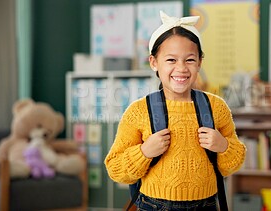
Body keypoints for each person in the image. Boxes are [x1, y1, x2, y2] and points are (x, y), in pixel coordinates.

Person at [104, 11, 246, 211]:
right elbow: (115, 169)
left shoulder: (216, 107)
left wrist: (223, 146)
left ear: (200, 62)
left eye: (189, 60)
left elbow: (232, 164)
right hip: (152, 205)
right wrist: (144, 152)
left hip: (206, 205)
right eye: (171, 60)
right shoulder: (139, 111)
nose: (181, 68)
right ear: (154, 62)